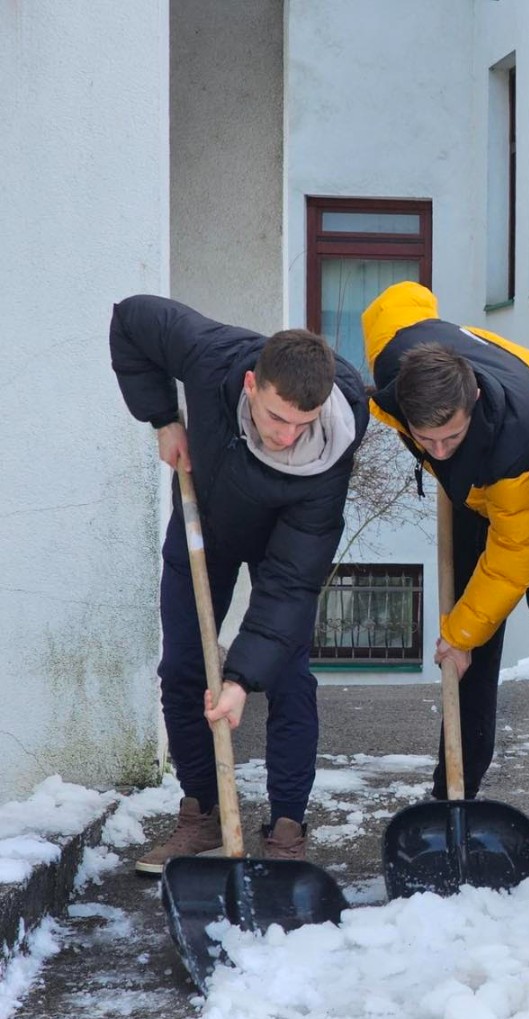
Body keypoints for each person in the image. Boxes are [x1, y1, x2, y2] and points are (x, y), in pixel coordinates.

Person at [111, 296, 369, 873]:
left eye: (305, 422)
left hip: (284, 539)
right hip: (207, 518)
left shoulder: (332, 447)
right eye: (278, 418)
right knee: (183, 666)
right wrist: (163, 419)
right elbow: (130, 319)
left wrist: (240, 678)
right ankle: (200, 815)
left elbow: (291, 584)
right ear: (251, 384)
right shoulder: (213, 356)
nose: (289, 436)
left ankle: (286, 827)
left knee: (288, 672)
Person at [361, 282, 529, 876]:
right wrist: (465, 639)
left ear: (472, 398)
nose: (438, 450)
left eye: (451, 436)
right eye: (427, 440)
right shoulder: (399, 367)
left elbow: (520, 550)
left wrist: (463, 629)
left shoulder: (522, 441)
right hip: (480, 498)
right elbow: (399, 303)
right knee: (467, 660)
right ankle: (455, 796)